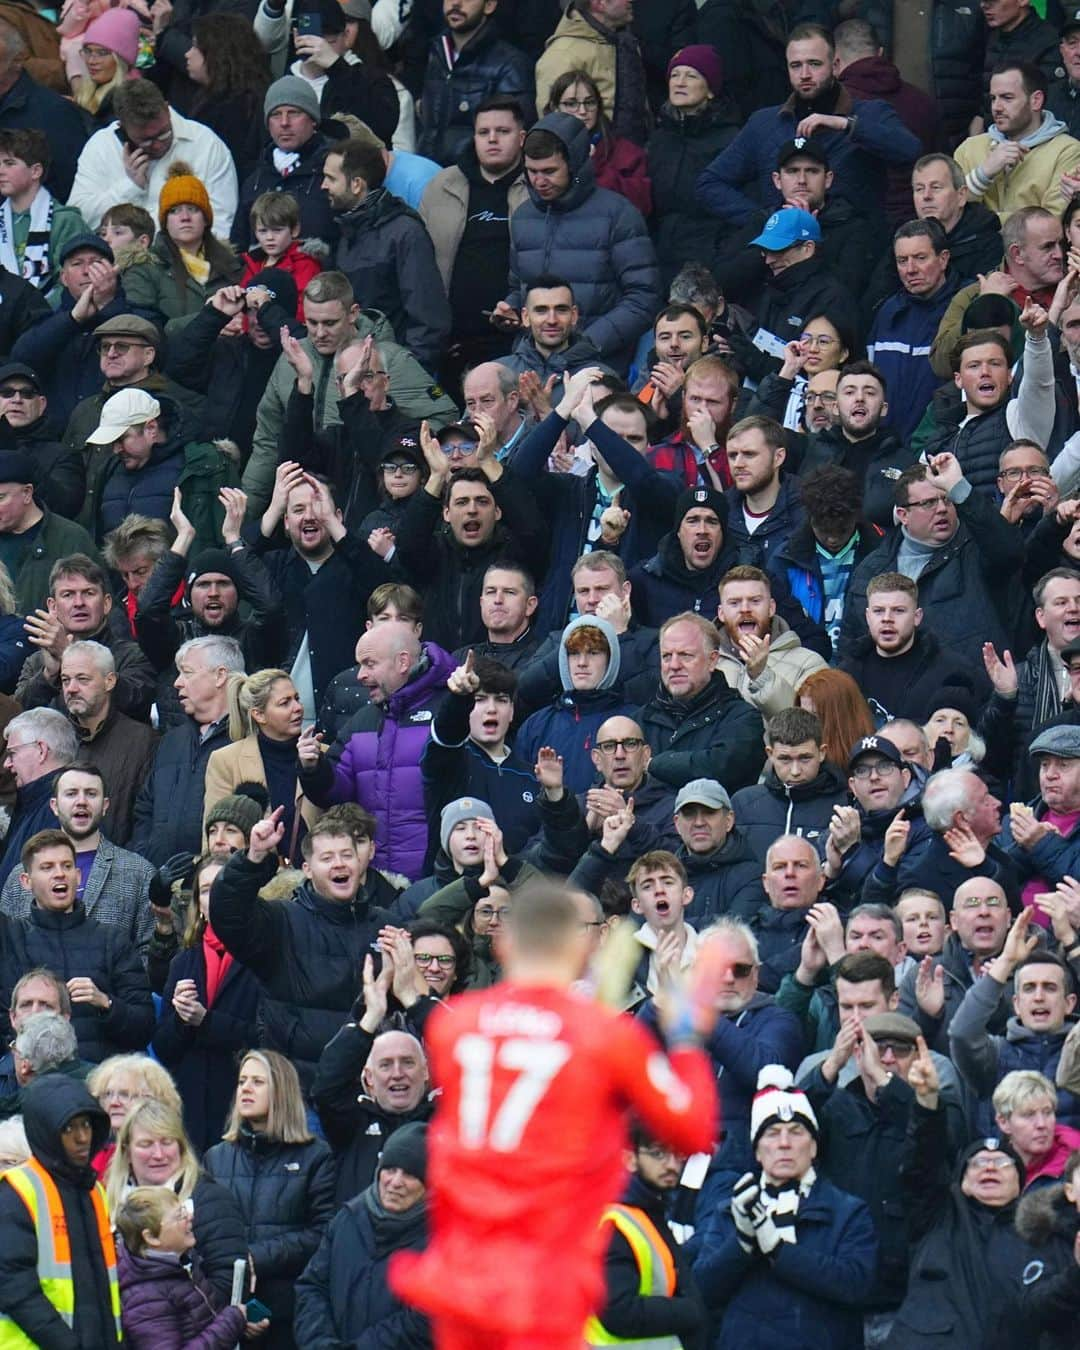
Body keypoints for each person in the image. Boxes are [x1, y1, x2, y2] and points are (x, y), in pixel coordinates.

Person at [389, 881, 722, 1349]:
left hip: (463, 1276)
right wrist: (685, 1037)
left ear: (503, 943)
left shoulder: (453, 1024)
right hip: (543, 1281)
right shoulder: (603, 1036)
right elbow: (693, 1131)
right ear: (579, 948)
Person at [209, 805, 399, 1083]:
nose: (339, 864)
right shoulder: (281, 920)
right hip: (295, 1089)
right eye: (327, 858)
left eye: (347, 855)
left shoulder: (387, 927)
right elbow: (228, 914)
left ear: (360, 863)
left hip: (365, 1088)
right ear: (308, 869)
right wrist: (253, 858)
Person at [693, 1065, 878, 1350]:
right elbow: (703, 1290)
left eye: (796, 1132)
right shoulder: (732, 1209)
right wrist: (741, 1245)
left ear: (814, 1147)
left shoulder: (848, 1211)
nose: (784, 1144)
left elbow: (856, 1284)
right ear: (756, 1151)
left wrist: (781, 1252)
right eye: (772, 1133)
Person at [695, 22, 922, 227]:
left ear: (836, 65)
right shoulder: (764, 123)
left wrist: (846, 124)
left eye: (814, 64)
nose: (804, 74)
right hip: (783, 255)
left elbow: (910, 150)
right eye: (795, 65)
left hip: (855, 255)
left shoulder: (869, 112)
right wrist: (765, 219)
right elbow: (710, 184)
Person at [887, 1038, 1030, 1348]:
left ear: (1021, 1184)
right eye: (978, 1163)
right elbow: (921, 1163)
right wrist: (927, 1102)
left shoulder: (1039, 1234)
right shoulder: (937, 1215)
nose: (990, 1168)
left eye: (1002, 1163)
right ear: (960, 1181)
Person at [496, 112, 660, 373]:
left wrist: (588, 343)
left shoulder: (618, 214)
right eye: (532, 171)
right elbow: (519, 286)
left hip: (598, 365)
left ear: (575, 166)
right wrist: (512, 309)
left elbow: (643, 298)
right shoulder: (524, 216)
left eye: (549, 171)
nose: (539, 181)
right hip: (533, 363)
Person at [838, 454, 1026, 671]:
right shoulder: (872, 569)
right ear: (903, 515)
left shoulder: (977, 548)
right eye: (928, 503)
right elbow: (851, 644)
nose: (942, 509)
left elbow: (1010, 553)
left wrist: (960, 489)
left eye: (947, 499)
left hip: (973, 691)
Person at [298, 623, 454, 879]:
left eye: (370, 664)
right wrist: (314, 768)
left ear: (403, 662)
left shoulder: (450, 712)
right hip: (373, 882)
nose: (359, 675)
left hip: (435, 878)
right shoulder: (362, 721)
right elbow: (334, 794)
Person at [203, 1050, 336, 1349]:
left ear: (282, 1092)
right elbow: (204, 1233)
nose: (245, 1088)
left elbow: (325, 1232)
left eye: (258, 1082)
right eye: (242, 1081)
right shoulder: (216, 1157)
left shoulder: (316, 1157)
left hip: (289, 1311)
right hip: (226, 1308)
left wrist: (258, 1256)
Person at [1, 828, 154, 1063]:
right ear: (26, 881)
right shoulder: (9, 939)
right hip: (27, 1079)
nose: (60, 874)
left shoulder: (112, 940)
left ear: (79, 876)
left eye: (67, 866)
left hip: (98, 1081)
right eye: (47, 867)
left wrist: (106, 1003)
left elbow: (144, 1026)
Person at [394, 428, 547, 653]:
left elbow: (533, 529)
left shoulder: (513, 554)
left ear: (497, 512)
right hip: (440, 673)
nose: (472, 510)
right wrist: (437, 476)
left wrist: (488, 463)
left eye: (482, 502)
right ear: (446, 513)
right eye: (462, 502)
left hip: (497, 670)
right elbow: (407, 544)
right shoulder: (433, 553)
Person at [0, 1075, 121, 1347]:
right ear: (47, 1133)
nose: (82, 1138)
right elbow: (13, 1285)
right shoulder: (17, 1191)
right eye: (69, 1129)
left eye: (87, 1125)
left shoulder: (93, 1191)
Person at [150, 853, 259, 1152]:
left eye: (225, 885)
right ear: (199, 903)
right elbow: (163, 1045)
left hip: (244, 1107)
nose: (217, 895)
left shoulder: (264, 956)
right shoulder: (184, 961)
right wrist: (181, 1021)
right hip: (191, 1111)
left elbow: (266, 1036)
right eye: (208, 889)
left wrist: (206, 1021)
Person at [294, 1120, 432, 1349]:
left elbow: (426, 1319)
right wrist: (319, 1344)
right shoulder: (346, 1220)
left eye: (410, 1174)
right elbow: (311, 1287)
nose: (395, 1182)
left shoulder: (439, 1241)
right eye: (390, 1169)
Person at [312, 958, 437, 1204]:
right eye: (385, 1065)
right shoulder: (351, 1121)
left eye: (408, 1062)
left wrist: (412, 999)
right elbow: (327, 1083)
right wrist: (371, 1016)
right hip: (361, 1238)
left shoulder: (443, 1120)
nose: (398, 1072)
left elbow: (468, 1057)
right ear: (368, 1078)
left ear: (426, 1072)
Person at [419, 98, 528, 379]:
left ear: (522, 137)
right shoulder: (442, 185)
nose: (492, 139)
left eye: (503, 131)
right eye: (483, 132)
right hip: (452, 337)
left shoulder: (536, 186)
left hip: (516, 336)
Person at [322, 136, 450, 375]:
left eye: (330, 178)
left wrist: (406, 375)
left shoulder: (405, 232)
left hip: (393, 375)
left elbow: (428, 316)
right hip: (356, 371)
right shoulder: (347, 231)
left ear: (357, 184)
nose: (323, 185)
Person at [103, 1098, 246, 1302]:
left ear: (181, 1147)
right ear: (126, 1152)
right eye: (146, 1144)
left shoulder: (210, 1200)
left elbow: (229, 1284)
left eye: (167, 1142)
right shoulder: (107, 1203)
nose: (159, 1154)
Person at [585, 1122, 707, 1346]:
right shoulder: (617, 1222)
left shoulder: (650, 1211)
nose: (671, 1164)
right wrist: (689, 1310)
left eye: (677, 1153)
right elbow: (617, 1310)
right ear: (630, 1159)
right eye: (658, 1153)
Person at [129, 635, 246, 866]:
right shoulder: (172, 740)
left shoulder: (248, 739)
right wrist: (145, 856)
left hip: (217, 882)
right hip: (160, 882)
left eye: (187, 672)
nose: (177, 683)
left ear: (220, 676)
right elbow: (145, 808)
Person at [68, 78, 237, 235]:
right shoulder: (102, 145)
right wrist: (130, 188)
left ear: (167, 109)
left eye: (163, 134)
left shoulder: (206, 144)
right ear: (122, 126)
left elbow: (222, 223)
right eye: (146, 140)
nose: (157, 144)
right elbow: (78, 219)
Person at [950, 928, 1080, 1130]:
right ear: (1017, 1004)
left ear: (1069, 1003)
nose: (1039, 997)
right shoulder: (994, 1054)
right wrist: (1007, 961)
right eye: (1029, 988)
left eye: (1049, 987)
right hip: (1007, 1160)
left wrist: (1072, 944)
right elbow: (962, 1034)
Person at [83, 388, 241, 552]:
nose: (116, 449)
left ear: (151, 428)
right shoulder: (110, 470)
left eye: (121, 439)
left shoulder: (202, 465)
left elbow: (227, 538)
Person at [421, 652, 539, 855]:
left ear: (511, 711)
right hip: (453, 885)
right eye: (480, 699)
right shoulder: (451, 761)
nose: (491, 709)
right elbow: (447, 733)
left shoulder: (533, 777)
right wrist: (459, 698)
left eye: (501, 700)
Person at [15, 554, 155, 724]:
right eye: (68, 595)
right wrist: (48, 676)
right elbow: (19, 716)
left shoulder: (133, 655)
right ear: (53, 606)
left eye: (89, 593)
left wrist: (68, 655)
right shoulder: (36, 662)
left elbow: (134, 704)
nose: (79, 602)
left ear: (106, 604)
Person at [638, 611, 766, 793]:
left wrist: (653, 764)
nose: (674, 665)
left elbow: (718, 769)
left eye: (686, 655)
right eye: (666, 656)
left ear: (712, 660)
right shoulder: (640, 720)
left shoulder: (742, 718)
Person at [204, 669, 320, 863]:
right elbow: (214, 837)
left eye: (297, 699)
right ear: (259, 715)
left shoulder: (323, 753)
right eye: (285, 703)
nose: (298, 707)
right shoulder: (225, 760)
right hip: (253, 880)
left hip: (316, 880)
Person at [647, 44, 739, 288]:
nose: (680, 82)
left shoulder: (731, 140)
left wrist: (720, 257)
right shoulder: (658, 139)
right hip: (661, 258)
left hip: (709, 261)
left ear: (710, 90)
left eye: (691, 75)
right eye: (675, 75)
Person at [114, 1186, 249, 1350]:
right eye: (180, 1216)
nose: (190, 1217)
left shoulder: (183, 1264)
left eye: (185, 1209)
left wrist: (240, 1322)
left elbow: (206, 1322)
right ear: (151, 1237)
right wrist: (230, 1322)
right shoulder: (145, 1297)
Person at [838, 571, 976, 725]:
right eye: (879, 611)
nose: (887, 619)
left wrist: (1004, 695)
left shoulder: (950, 670)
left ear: (917, 617)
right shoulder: (846, 674)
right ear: (867, 616)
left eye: (898, 611)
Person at [515, 616, 633, 794]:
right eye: (574, 653)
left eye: (593, 653)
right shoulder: (536, 725)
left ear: (611, 658)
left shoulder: (633, 721)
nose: (582, 663)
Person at [896, 874, 1014, 1051]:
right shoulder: (923, 976)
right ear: (954, 921)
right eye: (972, 904)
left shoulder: (1033, 970)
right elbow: (900, 1051)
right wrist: (927, 1016)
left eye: (993, 903)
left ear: (1007, 918)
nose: (984, 911)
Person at [868, 220, 961, 442]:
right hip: (885, 448)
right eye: (902, 260)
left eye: (920, 258)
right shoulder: (887, 311)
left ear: (943, 259)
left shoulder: (964, 307)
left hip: (938, 447)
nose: (910, 269)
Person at [54, 645, 156, 847]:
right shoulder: (54, 738)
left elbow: (146, 819)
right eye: (66, 680)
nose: (71, 688)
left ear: (110, 681)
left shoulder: (143, 741)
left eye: (83, 679)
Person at [121, 165, 244, 332]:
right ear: (165, 222)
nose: (185, 217)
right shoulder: (143, 268)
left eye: (193, 209)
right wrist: (211, 320)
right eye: (174, 211)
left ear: (206, 218)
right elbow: (143, 329)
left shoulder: (233, 266)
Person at [955, 61, 1080, 223]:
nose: (996, 107)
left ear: (1036, 100)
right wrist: (983, 174)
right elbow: (948, 213)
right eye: (993, 98)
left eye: (1007, 98)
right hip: (972, 249)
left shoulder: (1068, 151)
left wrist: (983, 223)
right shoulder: (969, 148)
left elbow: (1051, 223)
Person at [232, 75, 340, 252]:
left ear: (313, 119)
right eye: (275, 115)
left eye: (294, 113)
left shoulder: (335, 172)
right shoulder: (254, 181)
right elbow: (238, 247)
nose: (284, 123)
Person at [419, 0, 533, 167]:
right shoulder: (435, 54)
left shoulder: (510, 64)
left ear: (489, 5)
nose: (456, 3)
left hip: (476, 178)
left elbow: (513, 137)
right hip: (431, 175)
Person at [730, 707, 848, 864]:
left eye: (805, 758)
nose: (795, 771)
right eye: (785, 759)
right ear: (770, 754)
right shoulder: (743, 803)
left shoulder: (844, 805)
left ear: (822, 752)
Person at [715, 565, 828, 716]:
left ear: (771, 608)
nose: (745, 609)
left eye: (755, 601)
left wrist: (762, 677)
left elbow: (808, 728)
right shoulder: (705, 663)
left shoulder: (809, 663)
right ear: (721, 613)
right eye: (734, 603)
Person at [534, 0, 649, 145]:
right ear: (598, 3)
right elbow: (551, 123)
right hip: (591, 160)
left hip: (634, 154)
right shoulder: (563, 54)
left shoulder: (626, 44)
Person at [544, 67, 649, 216]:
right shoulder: (540, 148)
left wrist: (594, 167)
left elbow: (641, 205)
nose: (582, 111)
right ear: (555, 108)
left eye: (590, 102)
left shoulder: (626, 152)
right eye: (571, 104)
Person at [181, 12, 272, 187]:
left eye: (195, 47)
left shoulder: (234, 108)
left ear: (217, 54)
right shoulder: (215, 98)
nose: (187, 54)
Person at [627, 485, 736, 627]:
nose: (702, 530)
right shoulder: (644, 579)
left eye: (712, 521)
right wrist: (609, 542)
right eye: (693, 521)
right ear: (678, 531)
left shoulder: (742, 580)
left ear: (723, 534)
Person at [0, 129, 86, 299]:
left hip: (48, 319)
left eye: (9, 163)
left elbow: (74, 284)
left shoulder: (66, 221)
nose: (0, 170)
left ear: (35, 171)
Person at [0, 708, 78, 885]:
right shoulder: (32, 802)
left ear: (42, 750)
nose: (7, 764)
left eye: (12, 753)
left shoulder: (60, 811)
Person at [0, 362, 85, 521]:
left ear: (42, 404)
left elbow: (65, 507)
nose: (17, 399)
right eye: (7, 392)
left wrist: (15, 456)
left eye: (27, 393)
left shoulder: (63, 455)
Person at [723, 416, 805, 568]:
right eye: (733, 455)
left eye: (749, 454)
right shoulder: (721, 511)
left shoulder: (805, 512)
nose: (738, 464)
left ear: (778, 457)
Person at [993, 1070, 1080, 1189]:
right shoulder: (989, 1170)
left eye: (1047, 1113)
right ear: (1003, 1122)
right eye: (1029, 1115)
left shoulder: (1074, 1167)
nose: (1041, 1124)